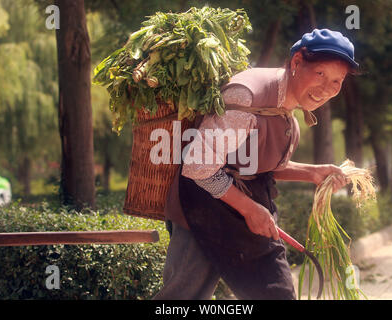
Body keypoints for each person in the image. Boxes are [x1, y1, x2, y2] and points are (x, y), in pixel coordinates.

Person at [153, 28, 359, 300]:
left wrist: (313, 173)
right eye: (320, 73)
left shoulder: (288, 115)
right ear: (297, 62)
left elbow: (256, 164)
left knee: (277, 294)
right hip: (200, 208)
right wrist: (250, 209)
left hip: (248, 211)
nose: (326, 88)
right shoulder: (247, 96)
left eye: (336, 81)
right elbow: (198, 166)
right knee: (183, 298)